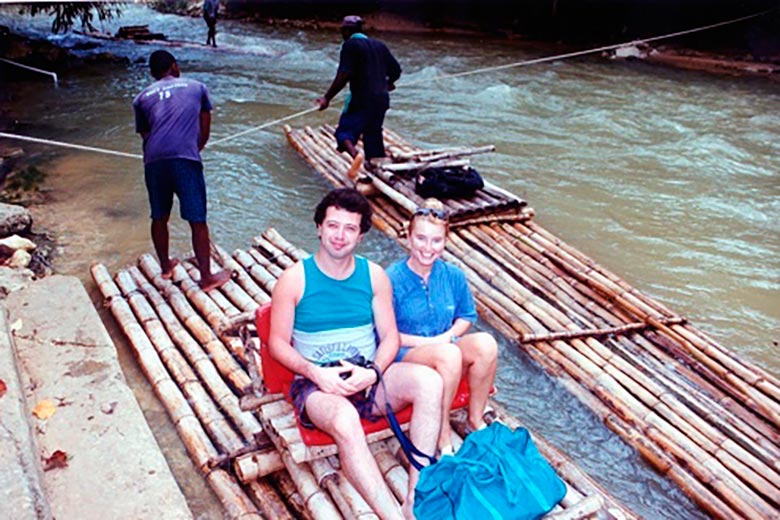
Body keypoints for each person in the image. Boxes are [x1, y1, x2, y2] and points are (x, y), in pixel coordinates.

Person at [269, 188, 442, 519]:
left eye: (350, 228)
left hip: (368, 374)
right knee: (345, 419)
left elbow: (390, 337)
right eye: (333, 225)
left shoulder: (374, 276)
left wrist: (374, 371)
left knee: (429, 382)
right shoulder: (293, 280)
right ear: (319, 227)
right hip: (317, 383)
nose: (340, 235)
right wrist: (315, 373)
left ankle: (414, 498)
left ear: (361, 235)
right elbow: (278, 344)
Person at [387, 199, 498, 456]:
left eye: (436, 240)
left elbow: (466, 316)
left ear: (445, 241)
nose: (428, 248)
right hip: (406, 355)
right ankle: (442, 431)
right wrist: (431, 344)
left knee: (486, 345)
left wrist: (448, 336)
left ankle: (475, 418)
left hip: (445, 345)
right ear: (409, 237)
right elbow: (385, 334)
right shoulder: (391, 278)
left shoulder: (453, 275)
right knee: (448, 354)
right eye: (421, 239)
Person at [133, 50, 229, 290]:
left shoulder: (141, 97)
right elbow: (204, 127)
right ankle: (207, 277)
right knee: (197, 218)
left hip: (153, 160)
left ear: (153, 73)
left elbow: (146, 135)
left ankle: (165, 266)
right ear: (174, 67)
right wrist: (193, 149)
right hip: (185, 158)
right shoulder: (197, 87)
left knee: (159, 215)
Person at [316, 15, 401, 177]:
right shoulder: (379, 45)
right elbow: (396, 70)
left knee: (344, 132)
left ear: (347, 31)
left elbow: (344, 74)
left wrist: (327, 98)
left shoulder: (350, 45)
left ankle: (357, 156)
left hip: (362, 98)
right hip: (382, 99)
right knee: (373, 132)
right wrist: (388, 84)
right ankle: (378, 170)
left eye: (342, 30)